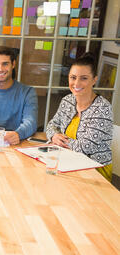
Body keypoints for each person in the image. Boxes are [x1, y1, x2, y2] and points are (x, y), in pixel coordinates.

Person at [46, 52, 113, 181]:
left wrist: (60, 141)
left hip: (94, 170)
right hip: (68, 161)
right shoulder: (68, 100)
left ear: (94, 80)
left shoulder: (102, 108)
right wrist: (54, 136)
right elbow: (52, 125)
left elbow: (85, 147)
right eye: (73, 77)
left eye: (84, 78)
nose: (76, 83)